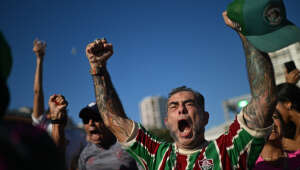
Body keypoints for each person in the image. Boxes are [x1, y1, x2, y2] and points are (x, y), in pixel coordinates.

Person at [83, 10, 277, 169]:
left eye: (189, 104)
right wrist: (98, 69)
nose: (181, 109)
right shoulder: (156, 155)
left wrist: (247, 33)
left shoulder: (228, 149)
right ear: (167, 122)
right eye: (174, 106)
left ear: (206, 117)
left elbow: (264, 100)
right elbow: (112, 120)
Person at [31, 39, 86, 170]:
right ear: (48, 115)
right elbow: (37, 92)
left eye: (64, 109)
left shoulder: (77, 136)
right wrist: (39, 60)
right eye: (54, 107)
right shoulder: (42, 126)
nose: (60, 109)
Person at [78, 102, 139, 170]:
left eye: (96, 118)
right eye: (86, 120)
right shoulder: (85, 154)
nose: (90, 123)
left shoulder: (129, 146)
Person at [253, 83, 300, 169]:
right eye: (264, 119)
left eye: (275, 116)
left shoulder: (297, 157)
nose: (271, 122)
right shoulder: (248, 166)